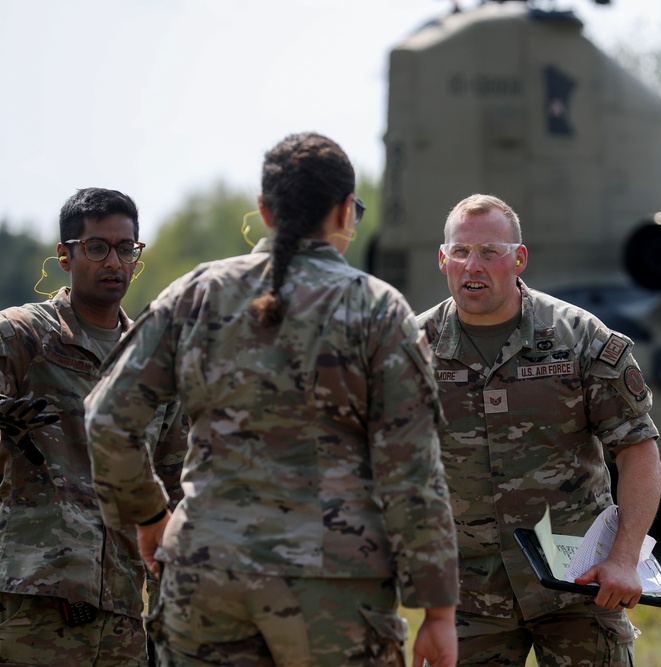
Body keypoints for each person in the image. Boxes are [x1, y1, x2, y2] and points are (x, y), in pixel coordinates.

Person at [84, 132, 460, 667]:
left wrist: (149, 516)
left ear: (264, 211)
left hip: (206, 578)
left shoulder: (197, 293)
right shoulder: (377, 308)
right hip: (335, 588)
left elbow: (106, 417)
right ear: (344, 213)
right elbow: (413, 470)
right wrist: (439, 611)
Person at [417, 193, 661, 666]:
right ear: (443, 259)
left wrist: (624, 557)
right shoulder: (412, 349)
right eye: (461, 252)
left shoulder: (579, 338)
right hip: (470, 596)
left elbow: (638, 451)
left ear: (518, 259)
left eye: (490, 252)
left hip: (579, 586)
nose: (474, 264)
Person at [0, 187, 187, 666]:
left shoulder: (151, 360)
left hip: (121, 620)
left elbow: (172, 495)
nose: (113, 261)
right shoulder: (29, 333)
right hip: (30, 603)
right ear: (65, 256)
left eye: (125, 248)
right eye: (96, 247)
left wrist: (169, 620)